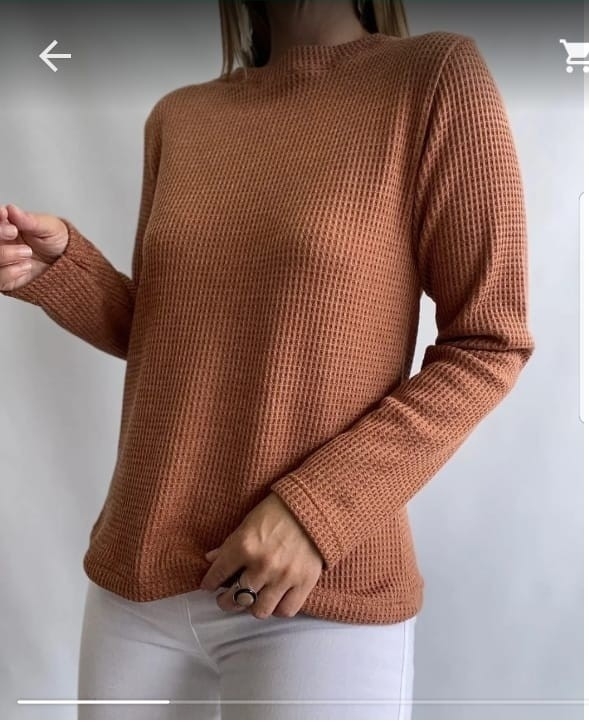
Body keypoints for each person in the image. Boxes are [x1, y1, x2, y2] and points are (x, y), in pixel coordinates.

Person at [0, 0, 535, 719]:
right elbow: (174, 338)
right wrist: (63, 271)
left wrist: (317, 513)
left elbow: (489, 341)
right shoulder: (178, 119)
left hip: (317, 594)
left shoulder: (434, 80)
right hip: (138, 588)